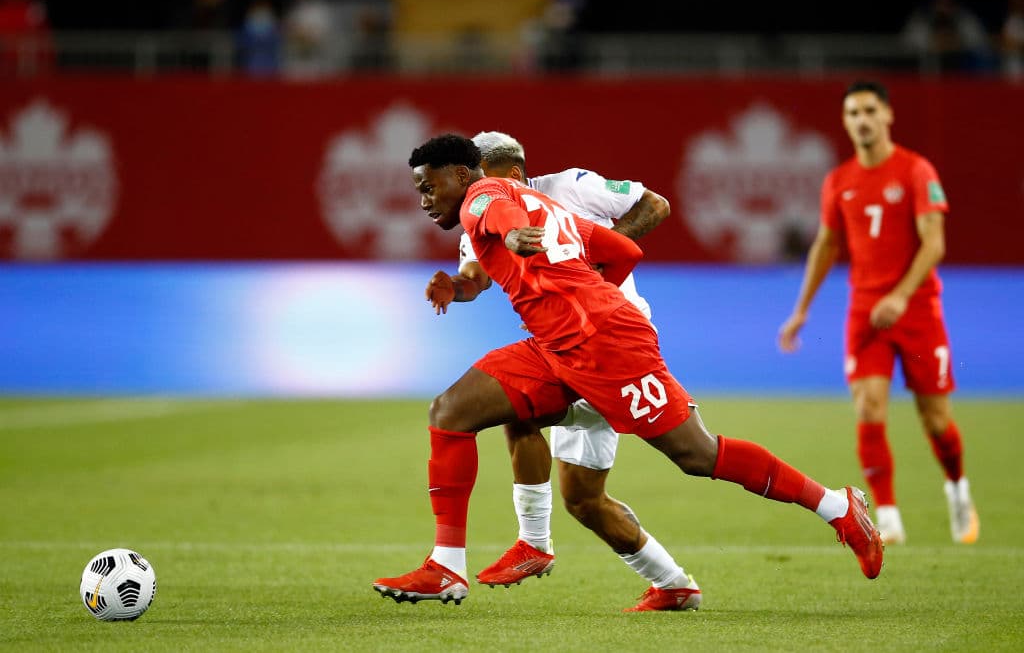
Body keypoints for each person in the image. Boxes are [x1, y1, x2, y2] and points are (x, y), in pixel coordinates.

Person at [371, 134, 882, 607]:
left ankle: (838, 507)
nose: (423, 199)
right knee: (454, 410)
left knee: (696, 454)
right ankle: (449, 565)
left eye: (428, 186)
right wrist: (582, 288)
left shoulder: (484, 198)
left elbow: (500, 213)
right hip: (557, 346)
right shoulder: (547, 206)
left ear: (465, 175)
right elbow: (624, 250)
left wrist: (522, 242)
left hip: (609, 347)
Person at [424, 131, 698, 612]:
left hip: (610, 345)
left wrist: (589, 262)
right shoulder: (483, 216)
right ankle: (675, 585)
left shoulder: (570, 187)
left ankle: (533, 543)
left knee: (508, 406)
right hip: (563, 350)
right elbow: (475, 279)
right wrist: (455, 290)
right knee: (584, 499)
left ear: (508, 174)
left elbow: (655, 204)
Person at [778, 81, 978, 546]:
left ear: (887, 115)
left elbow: (935, 243)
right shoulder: (839, 181)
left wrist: (901, 296)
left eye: (869, 110)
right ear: (845, 122)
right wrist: (801, 310)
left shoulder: (914, 170)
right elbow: (826, 246)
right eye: (852, 113)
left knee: (936, 420)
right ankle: (887, 516)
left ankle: (957, 488)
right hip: (865, 312)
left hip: (918, 310)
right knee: (868, 408)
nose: (862, 120)